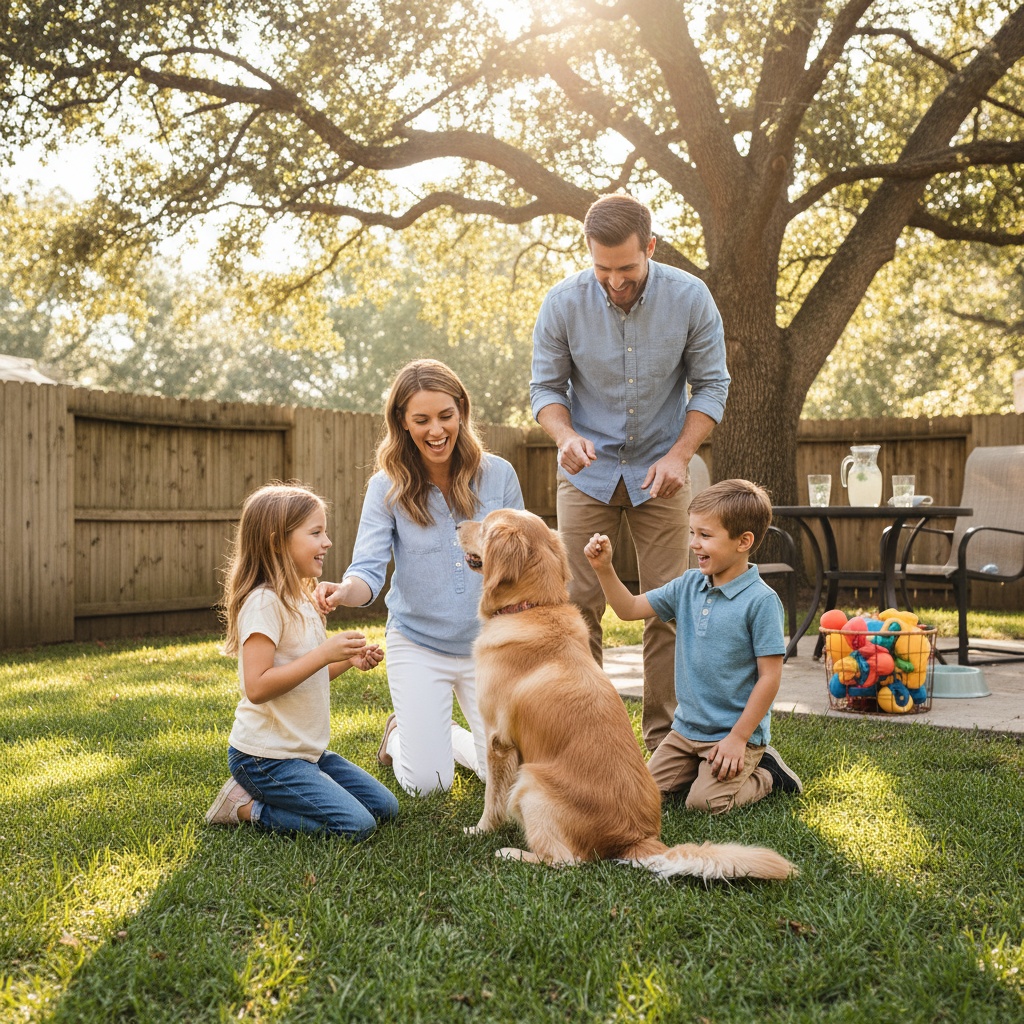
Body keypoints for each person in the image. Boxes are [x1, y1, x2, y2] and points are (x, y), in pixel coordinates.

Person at [530, 192, 731, 752]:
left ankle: (666, 740)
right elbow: (546, 389)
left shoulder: (690, 298)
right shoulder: (563, 303)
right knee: (576, 609)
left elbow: (712, 384)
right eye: (602, 269)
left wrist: (680, 456)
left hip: (664, 472)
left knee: (669, 607)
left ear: (651, 247)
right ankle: (585, 737)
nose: (614, 281)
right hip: (587, 474)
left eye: (626, 269)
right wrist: (565, 436)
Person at [315, 359, 524, 797]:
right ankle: (398, 735)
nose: (436, 430)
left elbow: (520, 556)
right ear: (402, 423)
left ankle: (442, 737)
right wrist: (342, 592)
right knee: (428, 785)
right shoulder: (386, 487)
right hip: (418, 642)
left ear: (462, 411)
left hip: (486, 645)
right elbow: (367, 572)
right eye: (422, 420)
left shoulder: (499, 474)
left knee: (507, 779)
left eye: (445, 416)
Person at [583, 478, 803, 815]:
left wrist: (738, 739)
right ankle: (702, 769)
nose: (693, 544)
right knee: (638, 796)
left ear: (744, 541)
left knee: (704, 804)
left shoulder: (761, 602)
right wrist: (604, 569)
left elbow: (770, 678)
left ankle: (768, 773)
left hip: (732, 734)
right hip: (685, 730)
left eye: (705, 535)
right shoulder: (687, 585)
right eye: (692, 533)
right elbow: (628, 610)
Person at [205, 483, 400, 838]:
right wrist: (324, 653)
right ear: (277, 542)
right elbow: (258, 687)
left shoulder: (304, 599)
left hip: (305, 753)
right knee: (356, 826)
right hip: (264, 759)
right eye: (316, 533)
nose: (327, 542)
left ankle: (296, 787)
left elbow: (310, 673)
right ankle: (244, 806)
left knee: (386, 808)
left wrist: (347, 661)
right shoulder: (264, 603)